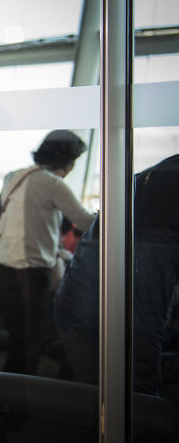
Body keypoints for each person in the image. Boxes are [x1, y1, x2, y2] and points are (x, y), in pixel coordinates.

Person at [55, 155, 179, 395]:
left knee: (90, 387)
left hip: (80, 299)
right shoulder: (164, 192)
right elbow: (143, 322)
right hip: (100, 309)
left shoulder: (153, 179)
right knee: (123, 391)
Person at [0, 130, 96, 375]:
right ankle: (18, 395)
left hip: (1, 270)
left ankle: (8, 394)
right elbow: (85, 221)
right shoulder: (50, 183)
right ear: (67, 162)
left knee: (20, 342)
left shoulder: (14, 176)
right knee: (28, 347)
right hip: (26, 272)